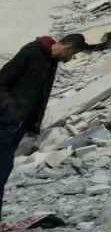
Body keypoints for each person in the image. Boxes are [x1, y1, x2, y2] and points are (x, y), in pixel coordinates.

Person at [0, 32, 85, 219]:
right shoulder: (32, 52)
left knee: (4, 170)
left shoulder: (51, 61)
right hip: (5, 123)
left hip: (18, 125)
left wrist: (33, 125)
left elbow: (40, 95)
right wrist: (9, 109)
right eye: (72, 54)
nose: (70, 58)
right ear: (68, 47)